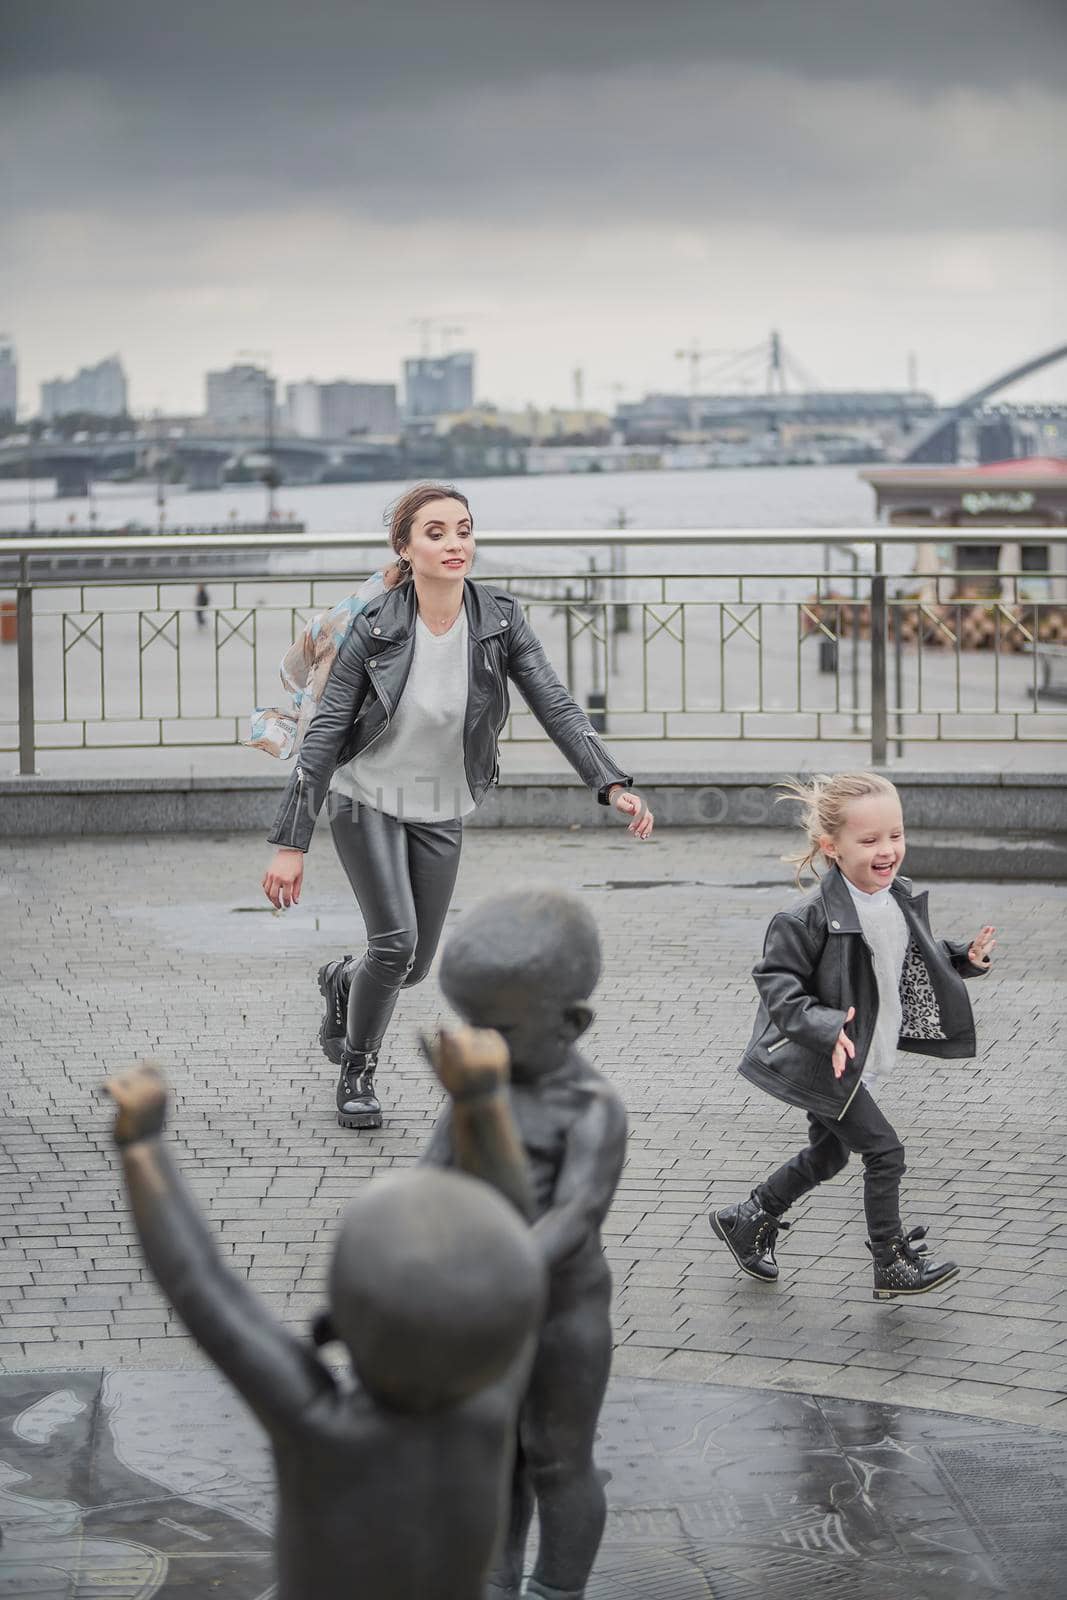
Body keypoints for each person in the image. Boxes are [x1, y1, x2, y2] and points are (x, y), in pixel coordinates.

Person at [261, 482, 654, 1132]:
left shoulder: (499, 617)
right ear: (405, 547)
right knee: (394, 945)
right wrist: (290, 842)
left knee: (411, 967)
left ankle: (341, 981)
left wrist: (609, 782)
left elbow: (553, 701)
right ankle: (357, 1070)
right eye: (436, 532)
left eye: (463, 530)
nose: (454, 544)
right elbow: (327, 731)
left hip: (440, 804)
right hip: (366, 799)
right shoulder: (375, 625)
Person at [103, 1051, 546, 1600]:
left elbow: (202, 1287)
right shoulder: (491, 1406)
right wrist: (484, 1102)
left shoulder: (319, 1427)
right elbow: (514, 1249)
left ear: (334, 1326)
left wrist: (142, 1146)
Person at [710, 771, 995, 1301]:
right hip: (824, 1061)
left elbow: (909, 954)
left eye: (895, 835)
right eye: (869, 841)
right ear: (831, 848)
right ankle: (890, 1261)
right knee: (885, 1151)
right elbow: (777, 985)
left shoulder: (895, 898)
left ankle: (747, 1217)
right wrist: (825, 1028)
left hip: (853, 1055)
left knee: (830, 1156)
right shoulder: (805, 917)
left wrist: (964, 959)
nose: (888, 850)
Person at [422, 888, 627, 1600]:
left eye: (498, 1028)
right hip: (487, 1314)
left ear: (571, 1024)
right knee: (494, 1454)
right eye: (468, 1023)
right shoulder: (476, 1092)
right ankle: (496, 1578)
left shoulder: (592, 1107)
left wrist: (501, 1271)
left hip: (563, 1318)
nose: (477, 1043)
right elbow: (430, 1183)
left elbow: (577, 1213)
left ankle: (556, 1589)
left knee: (557, 1458)